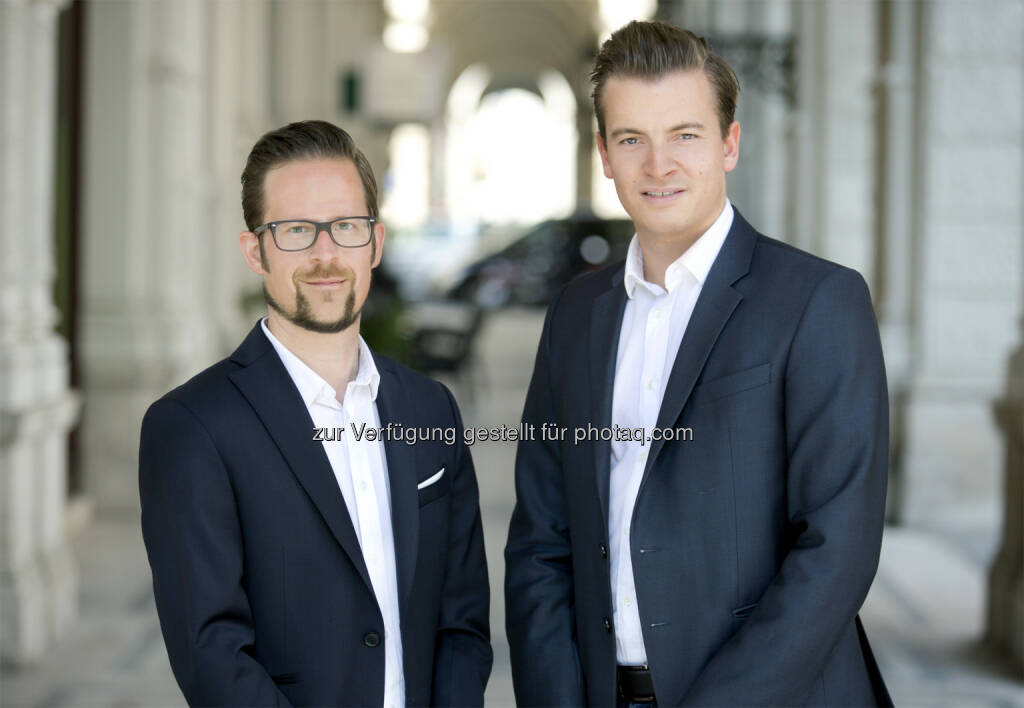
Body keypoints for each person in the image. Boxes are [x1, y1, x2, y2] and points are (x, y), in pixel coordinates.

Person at [505, 20, 892, 707]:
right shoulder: (575, 313)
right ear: (604, 154)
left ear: (729, 144)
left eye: (685, 134)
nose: (659, 165)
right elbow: (542, 537)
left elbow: (837, 549)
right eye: (632, 140)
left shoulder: (817, 301)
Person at [139, 120, 492, 707]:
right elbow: (212, 652)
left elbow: (461, 620)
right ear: (256, 250)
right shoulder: (192, 428)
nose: (326, 254)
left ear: (375, 243)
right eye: (297, 230)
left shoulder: (431, 409)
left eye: (346, 227)